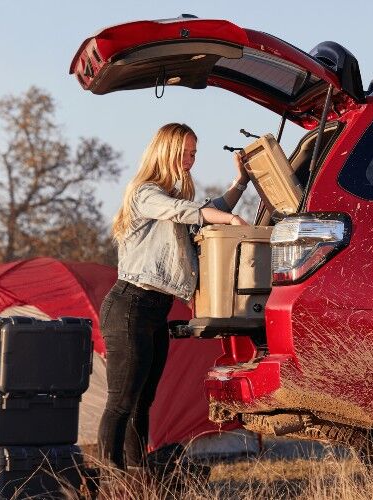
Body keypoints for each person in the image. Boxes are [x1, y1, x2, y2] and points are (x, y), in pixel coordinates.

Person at [98, 122, 250, 471]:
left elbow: (201, 212)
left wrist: (240, 183)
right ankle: (108, 479)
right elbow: (190, 213)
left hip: (155, 310)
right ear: (166, 150)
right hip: (129, 306)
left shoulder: (172, 200)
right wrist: (228, 219)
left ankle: (136, 479)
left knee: (142, 403)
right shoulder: (144, 193)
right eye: (185, 151)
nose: (190, 159)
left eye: (194, 153)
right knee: (121, 402)